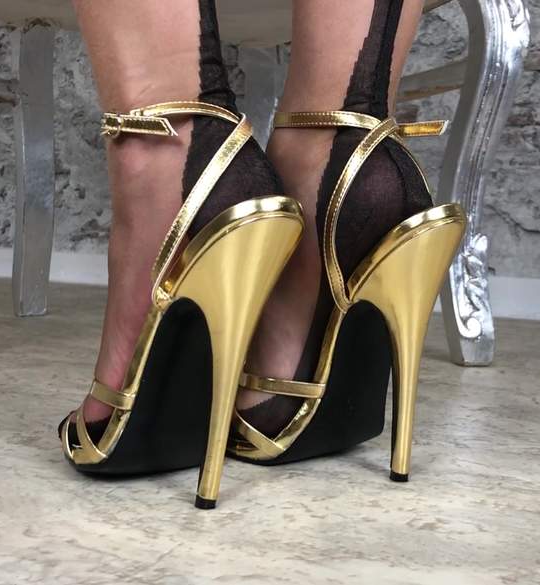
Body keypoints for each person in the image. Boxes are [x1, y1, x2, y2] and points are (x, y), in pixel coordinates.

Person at [59, 0, 465, 509]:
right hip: (372, 163)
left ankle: (166, 162)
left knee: (170, 142)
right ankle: (340, 154)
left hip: (185, 179)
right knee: (350, 104)